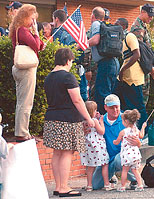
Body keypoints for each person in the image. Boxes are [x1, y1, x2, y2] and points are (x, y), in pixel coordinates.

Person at [43, 48, 95, 197]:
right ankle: (64, 187)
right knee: (67, 152)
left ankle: (58, 186)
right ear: (67, 60)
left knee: (57, 153)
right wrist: (88, 118)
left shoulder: (49, 78)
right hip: (67, 119)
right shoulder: (67, 77)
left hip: (51, 117)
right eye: (71, 61)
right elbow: (77, 100)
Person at [9, 4, 44, 142]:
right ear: (25, 17)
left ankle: (22, 131)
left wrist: (36, 37)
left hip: (19, 67)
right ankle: (23, 133)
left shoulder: (18, 30)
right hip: (26, 69)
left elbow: (38, 45)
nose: (33, 22)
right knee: (26, 102)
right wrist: (35, 32)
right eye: (32, 19)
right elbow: (36, 45)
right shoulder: (23, 30)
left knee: (21, 102)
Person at [92, 94, 140, 190]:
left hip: (122, 155)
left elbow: (139, 141)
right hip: (106, 159)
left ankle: (134, 179)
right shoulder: (100, 121)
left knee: (121, 159)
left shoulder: (126, 119)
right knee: (95, 185)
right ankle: (112, 178)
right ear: (105, 107)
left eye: (117, 107)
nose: (115, 110)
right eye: (111, 107)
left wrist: (138, 143)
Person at [115, 28, 149, 129]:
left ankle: (144, 131)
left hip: (133, 78)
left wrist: (122, 70)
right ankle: (128, 129)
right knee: (124, 104)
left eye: (117, 25)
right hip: (125, 78)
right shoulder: (123, 41)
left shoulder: (130, 36)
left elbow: (136, 54)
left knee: (138, 106)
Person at [88, 7, 119, 114]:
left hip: (105, 63)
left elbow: (96, 40)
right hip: (113, 63)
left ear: (93, 16)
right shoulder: (105, 25)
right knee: (109, 94)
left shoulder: (96, 24)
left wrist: (81, 45)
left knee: (102, 95)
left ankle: (104, 121)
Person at [80, 101, 113, 192]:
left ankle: (89, 185)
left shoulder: (83, 121)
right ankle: (107, 184)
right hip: (98, 146)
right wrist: (101, 121)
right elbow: (101, 131)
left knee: (90, 166)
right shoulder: (94, 121)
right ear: (93, 111)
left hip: (88, 146)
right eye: (95, 110)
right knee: (104, 164)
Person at [131, 3, 154, 106]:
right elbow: (139, 52)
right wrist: (150, 68)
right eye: (149, 15)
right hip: (141, 69)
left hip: (144, 68)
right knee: (141, 101)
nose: (151, 18)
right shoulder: (138, 28)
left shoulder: (142, 25)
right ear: (142, 12)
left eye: (152, 16)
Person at [113, 109, 146, 192]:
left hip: (127, 155)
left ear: (126, 121)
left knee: (124, 170)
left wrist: (114, 141)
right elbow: (141, 136)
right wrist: (143, 127)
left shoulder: (123, 132)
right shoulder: (136, 130)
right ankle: (140, 185)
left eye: (123, 121)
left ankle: (123, 186)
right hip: (136, 155)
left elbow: (117, 142)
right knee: (135, 170)